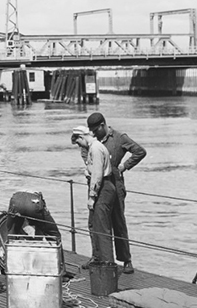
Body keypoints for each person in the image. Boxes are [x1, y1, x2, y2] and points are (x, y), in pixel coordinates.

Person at [87, 112, 146, 274]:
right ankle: (97, 256)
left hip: (116, 183)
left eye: (95, 130)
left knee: (118, 221)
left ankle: (126, 260)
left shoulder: (119, 138)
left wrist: (124, 166)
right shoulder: (94, 141)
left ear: (102, 125)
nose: (93, 133)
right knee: (94, 222)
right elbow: (86, 154)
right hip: (98, 184)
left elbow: (139, 151)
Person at [71, 126, 115, 266]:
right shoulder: (94, 147)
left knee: (102, 227)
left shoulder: (95, 149)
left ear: (81, 137)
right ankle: (97, 258)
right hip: (103, 187)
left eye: (78, 143)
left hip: (103, 188)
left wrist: (92, 196)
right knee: (93, 224)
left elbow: (97, 175)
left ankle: (107, 264)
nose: (80, 147)